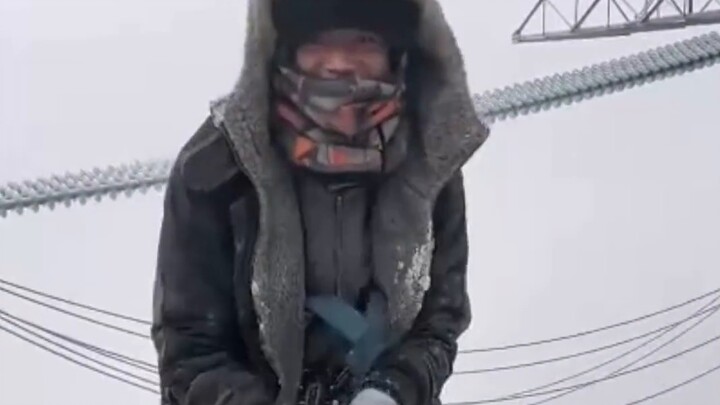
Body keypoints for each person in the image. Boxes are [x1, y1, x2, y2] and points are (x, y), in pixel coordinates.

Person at [151, 0, 490, 405]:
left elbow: (440, 319)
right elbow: (190, 345)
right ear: (283, 46)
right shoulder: (217, 168)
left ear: (397, 51)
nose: (339, 63)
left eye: (363, 41)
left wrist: (394, 389)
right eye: (316, 41)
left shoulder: (430, 163)